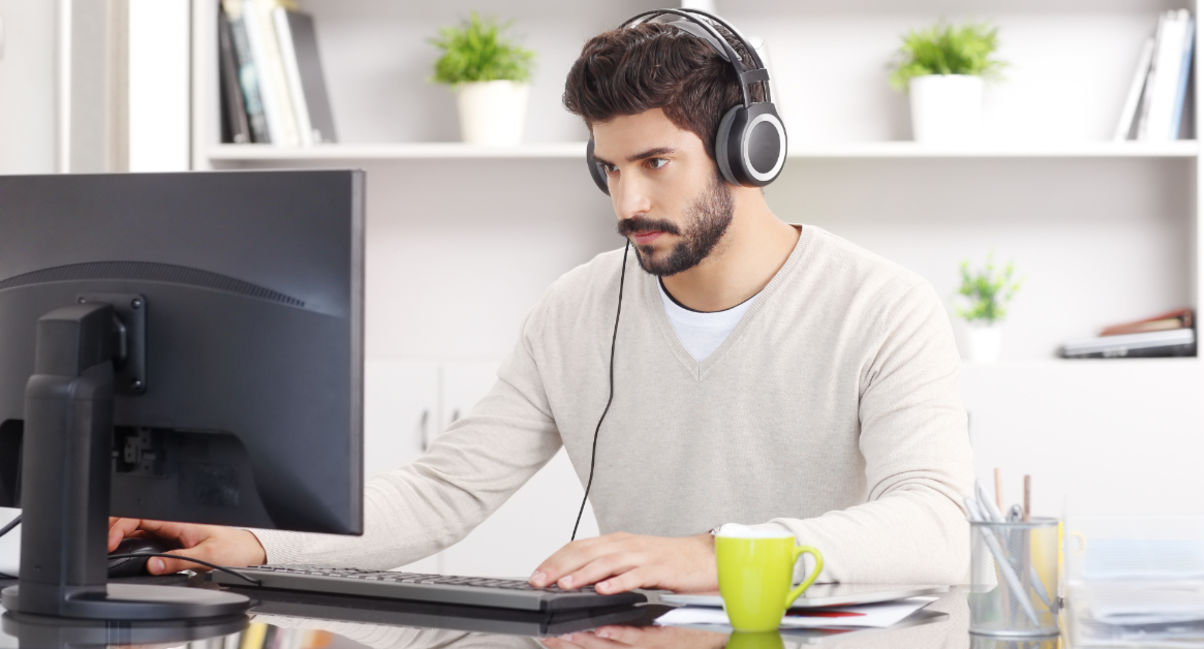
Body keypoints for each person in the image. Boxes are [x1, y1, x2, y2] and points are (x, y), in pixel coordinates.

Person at [108, 9, 974, 592]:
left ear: (749, 150)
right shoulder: (577, 309)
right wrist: (254, 539)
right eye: (608, 166)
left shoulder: (882, 306)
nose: (626, 201)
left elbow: (936, 527)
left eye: (656, 162)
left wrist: (709, 555)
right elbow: (442, 492)